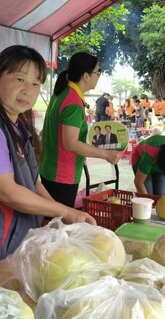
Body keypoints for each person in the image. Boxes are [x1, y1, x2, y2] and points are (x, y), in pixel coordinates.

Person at [0, 45, 96, 268]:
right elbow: (5, 191)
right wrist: (65, 211)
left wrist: (61, 217)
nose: (28, 90)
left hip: (16, 240)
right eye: (19, 79)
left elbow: (33, 182)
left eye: (36, 84)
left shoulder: (16, 125)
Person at [40, 52, 121, 208]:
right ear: (85, 76)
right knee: (59, 225)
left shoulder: (62, 93)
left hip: (50, 168)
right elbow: (70, 143)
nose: (98, 76)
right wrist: (106, 154)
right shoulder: (73, 101)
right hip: (61, 174)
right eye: (98, 72)